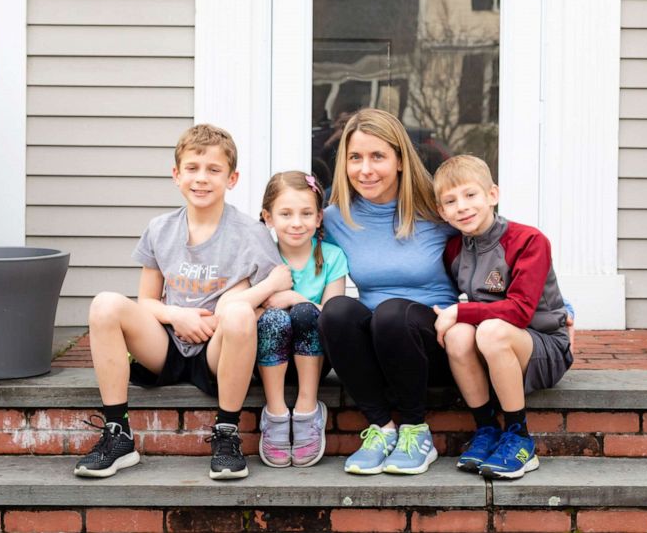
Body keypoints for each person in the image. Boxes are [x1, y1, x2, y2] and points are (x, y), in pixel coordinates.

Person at [73, 124, 290, 481]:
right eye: (192, 168)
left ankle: (227, 434)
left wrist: (234, 306)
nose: (201, 179)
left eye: (213, 170)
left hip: (220, 352)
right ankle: (118, 434)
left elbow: (276, 296)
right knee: (105, 304)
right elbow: (146, 300)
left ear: (232, 178)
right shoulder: (160, 228)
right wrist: (177, 315)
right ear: (177, 175)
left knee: (240, 315)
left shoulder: (251, 233)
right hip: (167, 345)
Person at [318, 109, 459, 475]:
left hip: (433, 348)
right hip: (376, 352)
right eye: (355, 158)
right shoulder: (335, 218)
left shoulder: (437, 210)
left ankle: (416, 430)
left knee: (393, 312)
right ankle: (381, 429)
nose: (365, 169)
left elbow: (501, 245)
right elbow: (290, 254)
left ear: (400, 160)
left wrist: (556, 307)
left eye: (377, 156)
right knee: (335, 310)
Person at [432, 155, 573, 479]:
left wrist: (459, 311)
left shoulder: (528, 240)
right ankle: (486, 430)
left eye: (470, 195)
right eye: (450, 202)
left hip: (542, 346)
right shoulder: (454, 250)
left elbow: (521, 310)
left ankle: (518, 436)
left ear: (492, 195)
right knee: (457, 334)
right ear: (442, 212)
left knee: (491, 329)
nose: (462, 207)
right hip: (492, 346)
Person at [253, 171, 349, 468]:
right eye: (286, 214)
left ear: (319, 218)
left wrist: (296, 298)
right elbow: (248, 312)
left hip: (316, 362)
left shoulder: (332, 257)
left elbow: (332, 315)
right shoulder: (261, 256)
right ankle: (276, 412)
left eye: (306, 213)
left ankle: (308, 408)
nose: (297, 223)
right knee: (273, 320)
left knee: (307, 313)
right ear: (268, 217)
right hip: (267, 362)